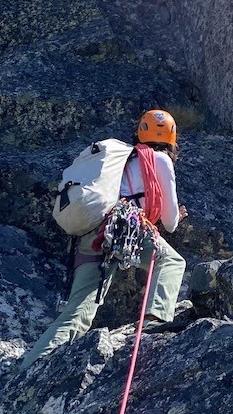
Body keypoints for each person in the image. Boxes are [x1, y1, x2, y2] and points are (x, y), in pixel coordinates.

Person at [18, 110, 188, 372]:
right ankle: (155, 320)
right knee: (171, 261)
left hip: (92, 232)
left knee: (78, 312)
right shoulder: (161, 160)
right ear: (171, 141)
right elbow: (170, 222)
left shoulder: (121, 159)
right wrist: (178, 216)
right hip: (124, 225)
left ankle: (28, 369)